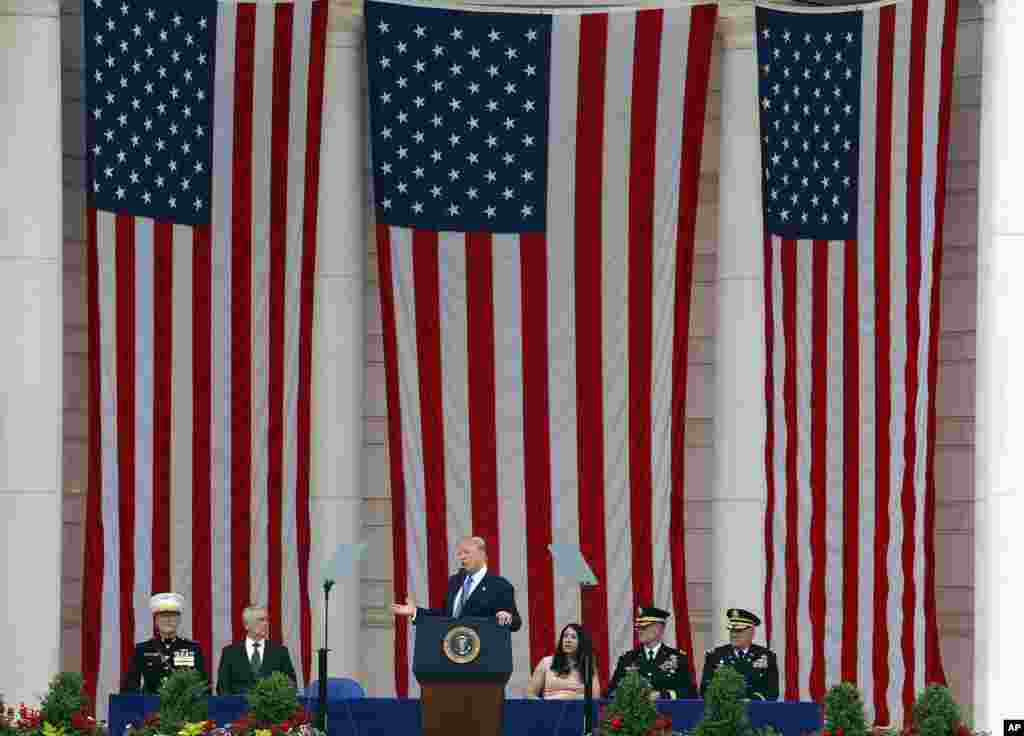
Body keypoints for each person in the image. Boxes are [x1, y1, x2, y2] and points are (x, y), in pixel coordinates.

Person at [390, 536, 522, 631]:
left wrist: (508, 617)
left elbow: (516, 622)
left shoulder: (499, 585)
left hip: (483, 660)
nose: (462, 557)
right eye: (459, 554)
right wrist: (415, 612)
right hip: (452, 655)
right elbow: (445, 616)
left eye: (466, 552)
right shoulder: (454, 581)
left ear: (482, 555)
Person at [122, 593, 208, 694]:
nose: (168, 620)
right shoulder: (143, 649)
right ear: (156, 621)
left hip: (183, 706)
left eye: (172, 616)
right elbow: (130, 686)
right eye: (163, 616)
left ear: (179, 620)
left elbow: (203, 686)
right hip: (150, 707)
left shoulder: (193, 649)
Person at [608, 606, 696, 700]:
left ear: (659, 629)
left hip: (667, 712)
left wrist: (662, 695)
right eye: (638, 627)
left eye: (644, 627)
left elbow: (690, 692)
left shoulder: (678, 658)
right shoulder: (628, 658)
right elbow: (612, 691)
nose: (639, 631)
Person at [699, 608, 779, 701]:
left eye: (739, 631)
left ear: (752, 633)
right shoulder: (715, 655)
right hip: (722, 710)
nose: (734, 635)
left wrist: (752, 700)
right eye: (731, 630)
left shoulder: (766, 656)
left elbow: (772, 691)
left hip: (755, 709)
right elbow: (705, 689)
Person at [216, 606, 297, 695]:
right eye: (261, 620)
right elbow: (222, 688)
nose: (266, 624)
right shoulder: (229, 653)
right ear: (247, 625)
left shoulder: (280, 652)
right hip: (238, 707)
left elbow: (291, 685)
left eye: (267, 620)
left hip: (271, 707)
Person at [526, 623, 601, 699]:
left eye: (573, 637)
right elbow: (530, 694)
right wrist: (543, 707)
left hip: (578, 709)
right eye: (565, 636)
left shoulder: (587, 665)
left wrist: (574, 697)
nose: (568, 640)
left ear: (581, 642)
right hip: (550, 709)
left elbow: (595, 697)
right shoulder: (546, 662)